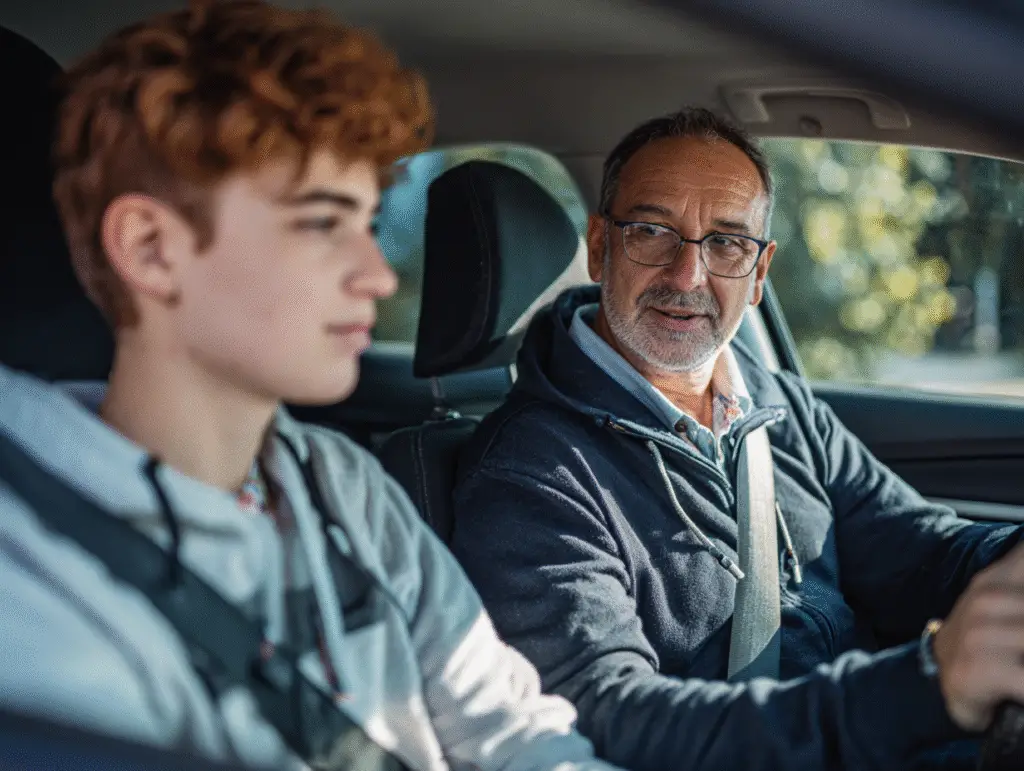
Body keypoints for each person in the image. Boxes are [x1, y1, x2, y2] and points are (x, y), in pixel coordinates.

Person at [0, 2, 621, 769]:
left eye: (368, 222)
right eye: (324, 223)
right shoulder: (29, 566)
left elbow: (512, 727)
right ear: (151, 247)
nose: (376, 273)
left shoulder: (337, 485)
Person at [451, 106, 1024, 770]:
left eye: (726, 242)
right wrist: (922, 689)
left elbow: (921, 548)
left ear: (759, 272)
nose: (687, 276)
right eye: (652, 231)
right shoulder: (529, 473)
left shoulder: (769, 396)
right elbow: (609, 717)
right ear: (601, 246)